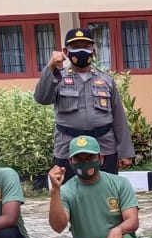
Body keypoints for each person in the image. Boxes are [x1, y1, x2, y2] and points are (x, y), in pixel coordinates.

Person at [34, 26, 134, 175]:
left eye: (86, 46)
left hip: (103, 147)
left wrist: (125, 152)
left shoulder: (106, 80)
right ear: (66, 52)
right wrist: (51, 67)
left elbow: (119, 118)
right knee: (69, 193)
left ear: (93, 51)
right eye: (75, 47)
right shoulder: (57, 77)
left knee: (106, 192)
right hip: (68, 148)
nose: (81, 51)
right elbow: (41, 98)